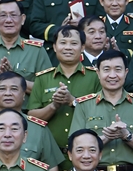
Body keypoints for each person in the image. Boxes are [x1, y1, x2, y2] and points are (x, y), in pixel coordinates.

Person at [28, 25, 101, 161]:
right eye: (63, 43)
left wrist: (73, 102)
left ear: (83, 48)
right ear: (54, 47)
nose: (68, 47)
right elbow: (32, 118)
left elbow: (102, 113)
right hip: (50, 156)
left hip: (86, 156)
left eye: (74, 43)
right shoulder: (43, 78)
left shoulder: (96, 77)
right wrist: (54, 106)